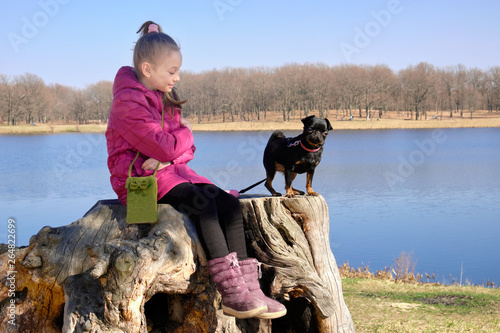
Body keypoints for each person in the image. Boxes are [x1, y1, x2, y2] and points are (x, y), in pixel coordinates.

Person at [105, 21, 286, 320]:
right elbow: (168, 145)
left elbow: (181, 151)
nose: (177, 77)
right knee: (204, 205)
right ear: (148, 69)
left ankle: (250, 288)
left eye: (178, 70)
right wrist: (183, 137)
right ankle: (230, 292)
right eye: (172, 71)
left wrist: (172, 153)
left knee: (228, 204)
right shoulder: (128, 101)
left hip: (170, 172)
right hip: (140, 181)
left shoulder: (164, 98)